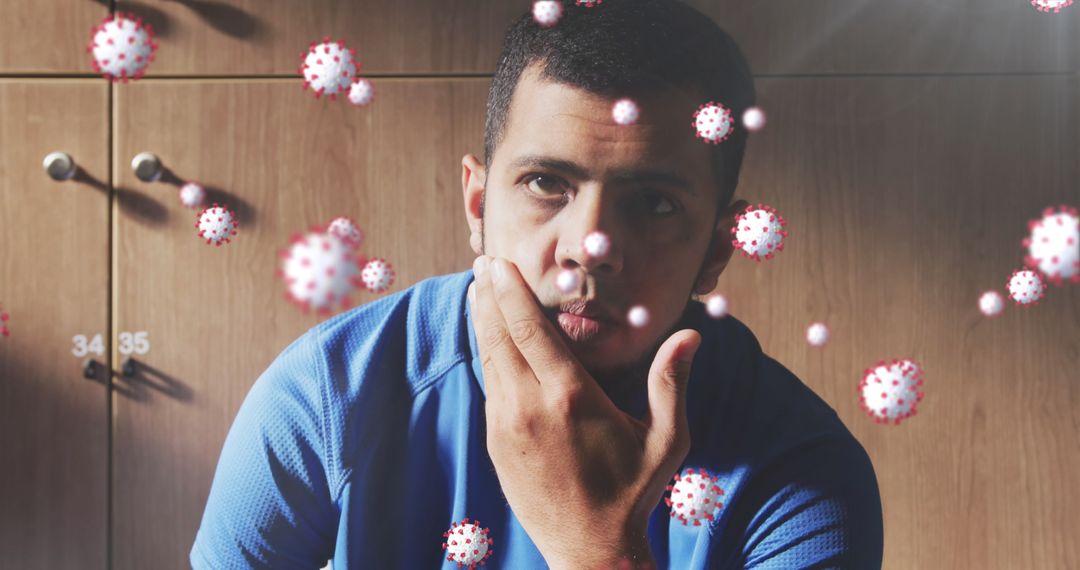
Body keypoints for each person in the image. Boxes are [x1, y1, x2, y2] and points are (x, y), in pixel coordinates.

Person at [190, 0, 884, 568]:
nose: (592, 247)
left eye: (655, 204)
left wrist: (596, 548)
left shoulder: (801, 473)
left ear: (717, 250)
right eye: (546, 183)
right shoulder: (324, 398)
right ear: (478, 204)